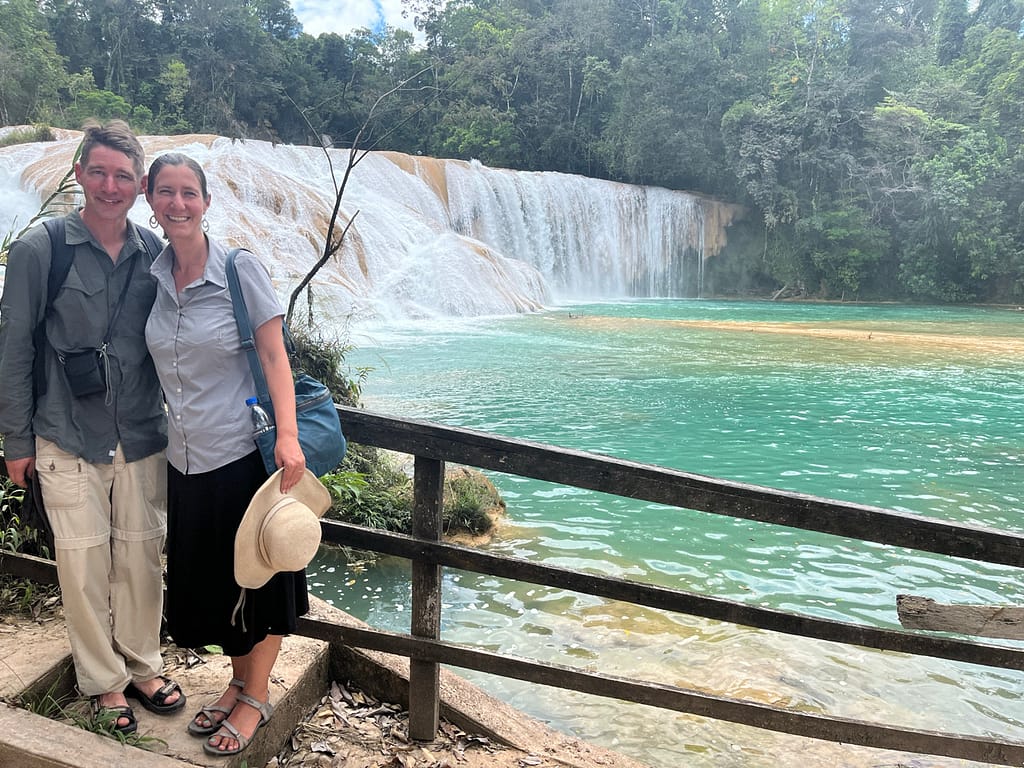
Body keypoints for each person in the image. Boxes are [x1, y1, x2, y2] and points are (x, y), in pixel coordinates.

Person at [0, 120, 184, 734]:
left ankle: (143, 665)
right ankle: (104, 682)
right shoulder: (41, 249)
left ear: (139, 186)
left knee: (141, 556)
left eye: (123, 176)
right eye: (99, 172)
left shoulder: (155, 254)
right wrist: (16, 441)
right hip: (66, 435)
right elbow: (14, 350)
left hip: (141, 435)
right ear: (78, 172)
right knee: (81, 566)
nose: (110, 186)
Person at [143, 152, 308, 757]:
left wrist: (288, 436)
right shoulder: (154, 275)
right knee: (220, 587)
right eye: (166, 191)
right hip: (184, 460)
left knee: (257, 583)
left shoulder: (240, 269)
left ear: (207, 202)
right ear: (150, 200)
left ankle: (255, 696)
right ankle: (237, 683)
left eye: (189, 192)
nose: (178, 203)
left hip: (241, 458)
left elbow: (274, 355)